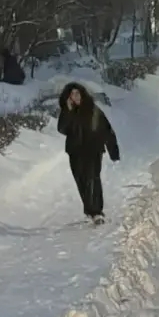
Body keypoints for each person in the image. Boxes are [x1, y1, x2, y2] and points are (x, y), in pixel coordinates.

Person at [57, 81, 120, 222]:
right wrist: (68, 111)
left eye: (77, 93)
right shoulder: (67, 112)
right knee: (81, 180)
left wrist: (113, 151)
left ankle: (97, 211)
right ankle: (89, 210)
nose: (75, 96)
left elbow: (107, 130)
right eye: (72, 94)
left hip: (94, 149)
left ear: (82, 94)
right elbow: (62, 129)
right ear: (68, 97)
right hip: (75, 152)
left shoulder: (93, 110)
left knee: (93, 178)